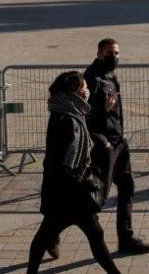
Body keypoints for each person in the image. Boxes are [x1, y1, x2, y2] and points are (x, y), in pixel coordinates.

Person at [26, 71, 121, 274]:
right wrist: (84, 183)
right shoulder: (67, 121)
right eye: (84, 88)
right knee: (88, 235)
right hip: (69, 193)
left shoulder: (68, 112)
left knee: (52, 236)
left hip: (62, 192)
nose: (87, 91)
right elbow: (67, 161)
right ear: (76, 92)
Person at [85, 38, 149, 255]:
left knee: (127, 188)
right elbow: (85, 116)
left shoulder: (109, 76)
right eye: (110, 54)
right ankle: (53, 232)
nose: (115, 57)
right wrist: (103, 109)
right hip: (104, 146)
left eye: (117, 53)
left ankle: (126, 238)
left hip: (119, 142)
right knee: (97, 198)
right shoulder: (92, 79)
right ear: (99, 53)